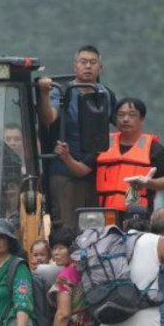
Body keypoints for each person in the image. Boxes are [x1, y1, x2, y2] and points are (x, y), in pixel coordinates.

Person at [37, 45, 118, 228]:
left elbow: (122, 123)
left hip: (98, 175)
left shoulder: (107, 94)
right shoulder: (62, 92)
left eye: (93, 62)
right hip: (64, 173)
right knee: (68, 228)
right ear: (75, 67)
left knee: (97, 229)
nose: (88, 66)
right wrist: (44, 93)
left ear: (100, 67)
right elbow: (48, 118)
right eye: (83, 62)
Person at [89, 98, 164, 213]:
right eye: (121, 115)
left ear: (142, 119)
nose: (125, 119)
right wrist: (67, 156)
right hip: (102, 213)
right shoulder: (103, 143)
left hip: (137, 214)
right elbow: (84, 170)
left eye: (132, 115)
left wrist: (149, 183)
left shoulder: (154, 148)